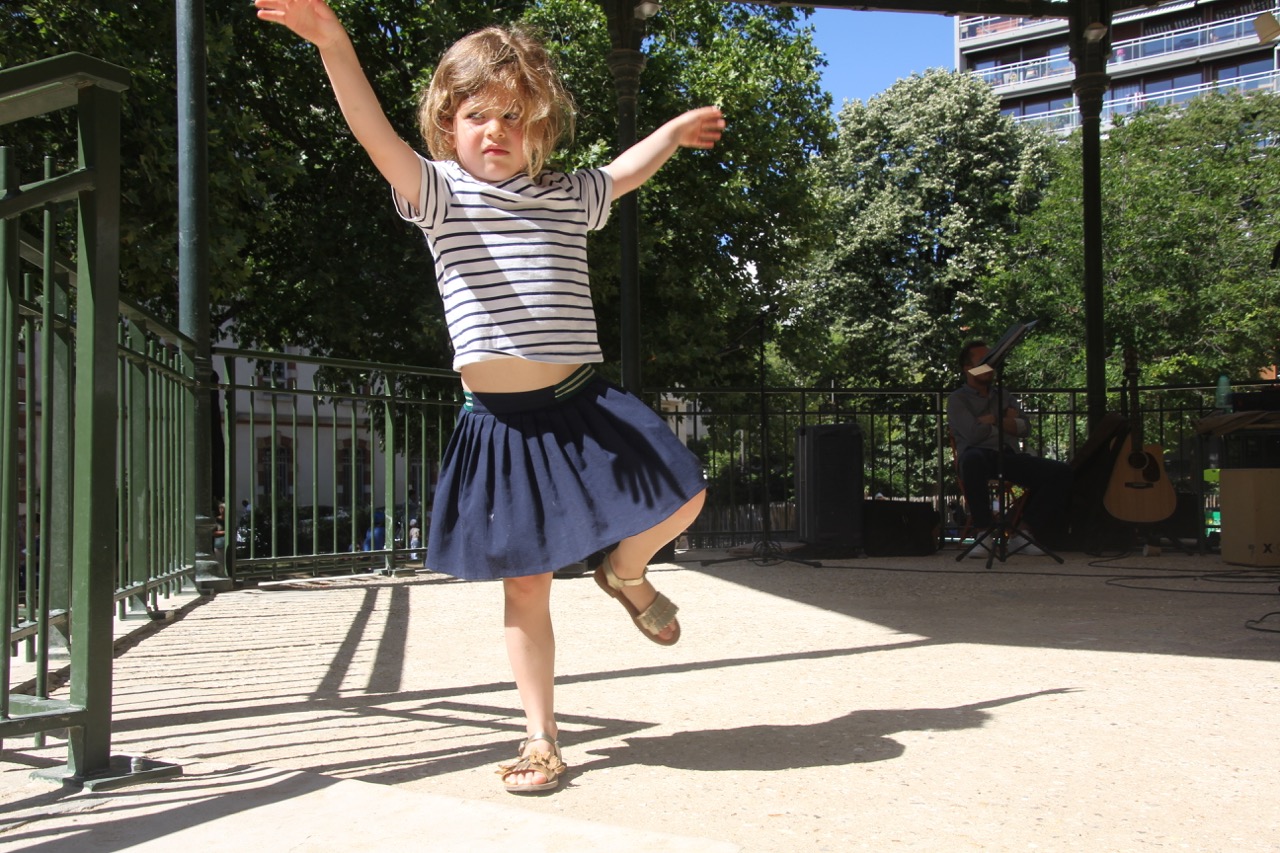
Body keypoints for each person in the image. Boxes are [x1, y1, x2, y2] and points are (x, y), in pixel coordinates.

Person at [256, 0, 720, 794]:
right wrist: (332, 41)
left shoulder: (567, 194)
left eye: (513, 117)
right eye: (477, 116)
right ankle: (541, 736)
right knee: (526, 583)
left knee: (686, 495)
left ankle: (625, 569)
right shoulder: (437, 192)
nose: (495, 131)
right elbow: (372, 132)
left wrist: (673, 132)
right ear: (448, 124)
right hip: (501, 424)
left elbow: (624, 172)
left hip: (581, 403)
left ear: (542, 128)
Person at [947, 340, 1072, 551]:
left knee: (1060, 472)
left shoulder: (1003, 395)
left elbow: (1024, 428)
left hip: (1008, 455)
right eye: (984, 362)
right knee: (972, 460)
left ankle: (1023, 531)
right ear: (968, 368)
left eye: (993, 361)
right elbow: (974, 434)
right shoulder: (957, 399)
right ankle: (983, 532)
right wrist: (1006, 421)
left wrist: (992, 420)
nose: (990, 367)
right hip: (977, 455)